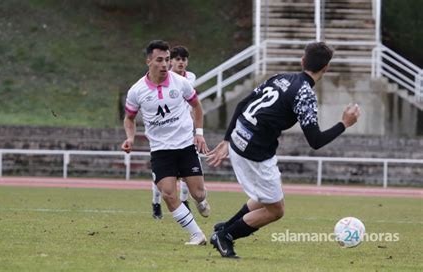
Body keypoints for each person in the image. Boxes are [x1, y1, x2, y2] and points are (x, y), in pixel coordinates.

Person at [206, 42, 361, 258]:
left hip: (239, 138)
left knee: (265, 198)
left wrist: (227, 139)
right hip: (255, 151)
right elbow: (315, 140)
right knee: (276, 210)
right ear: (325, 68)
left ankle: (226, 227)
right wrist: (344, 123)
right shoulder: (305, 94)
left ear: (302, 61)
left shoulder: (280, 77)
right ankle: (226, 236)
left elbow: (243, 103)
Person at [121, 40, 211, 245]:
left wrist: (199, 133)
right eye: (159, 60)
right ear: (149, 61)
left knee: (197, 193)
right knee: (169, 194)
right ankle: (197, 235)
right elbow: (129, 118)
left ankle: (203, 199)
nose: (164, 64)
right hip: (161, 150)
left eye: (167, 59)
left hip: (186, 145)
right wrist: (130, 137)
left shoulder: (181, 83)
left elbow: (197, 106)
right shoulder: (137, 90)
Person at [151, 45, 196, 219]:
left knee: (188, 173)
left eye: (184, 59)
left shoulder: (190, 78)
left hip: (184, 130)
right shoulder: (163, 78)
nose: (181, 63)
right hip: (163, 131)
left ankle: (185, 201)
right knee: (162, 175)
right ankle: (156, 203)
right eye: (177, 59)